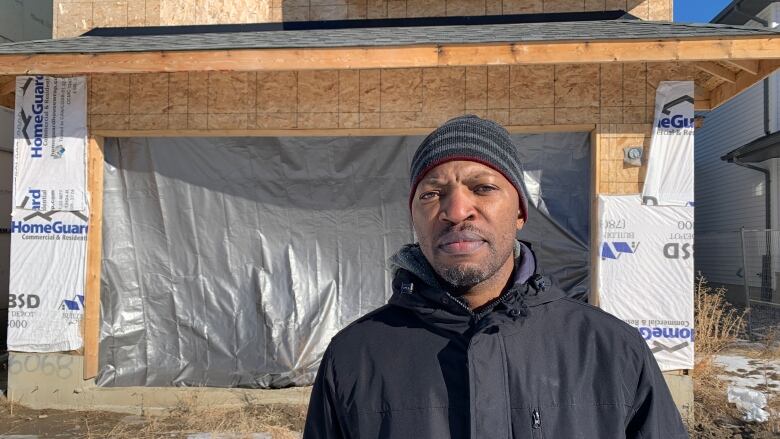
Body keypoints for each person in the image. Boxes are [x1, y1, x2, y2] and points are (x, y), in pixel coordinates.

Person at [303, 115, 689, 439]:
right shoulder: (354, 356)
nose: (456, 210)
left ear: (520, 212)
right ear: (414, 218)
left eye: (483, 188)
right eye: (431, 194)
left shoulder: (611, 350)